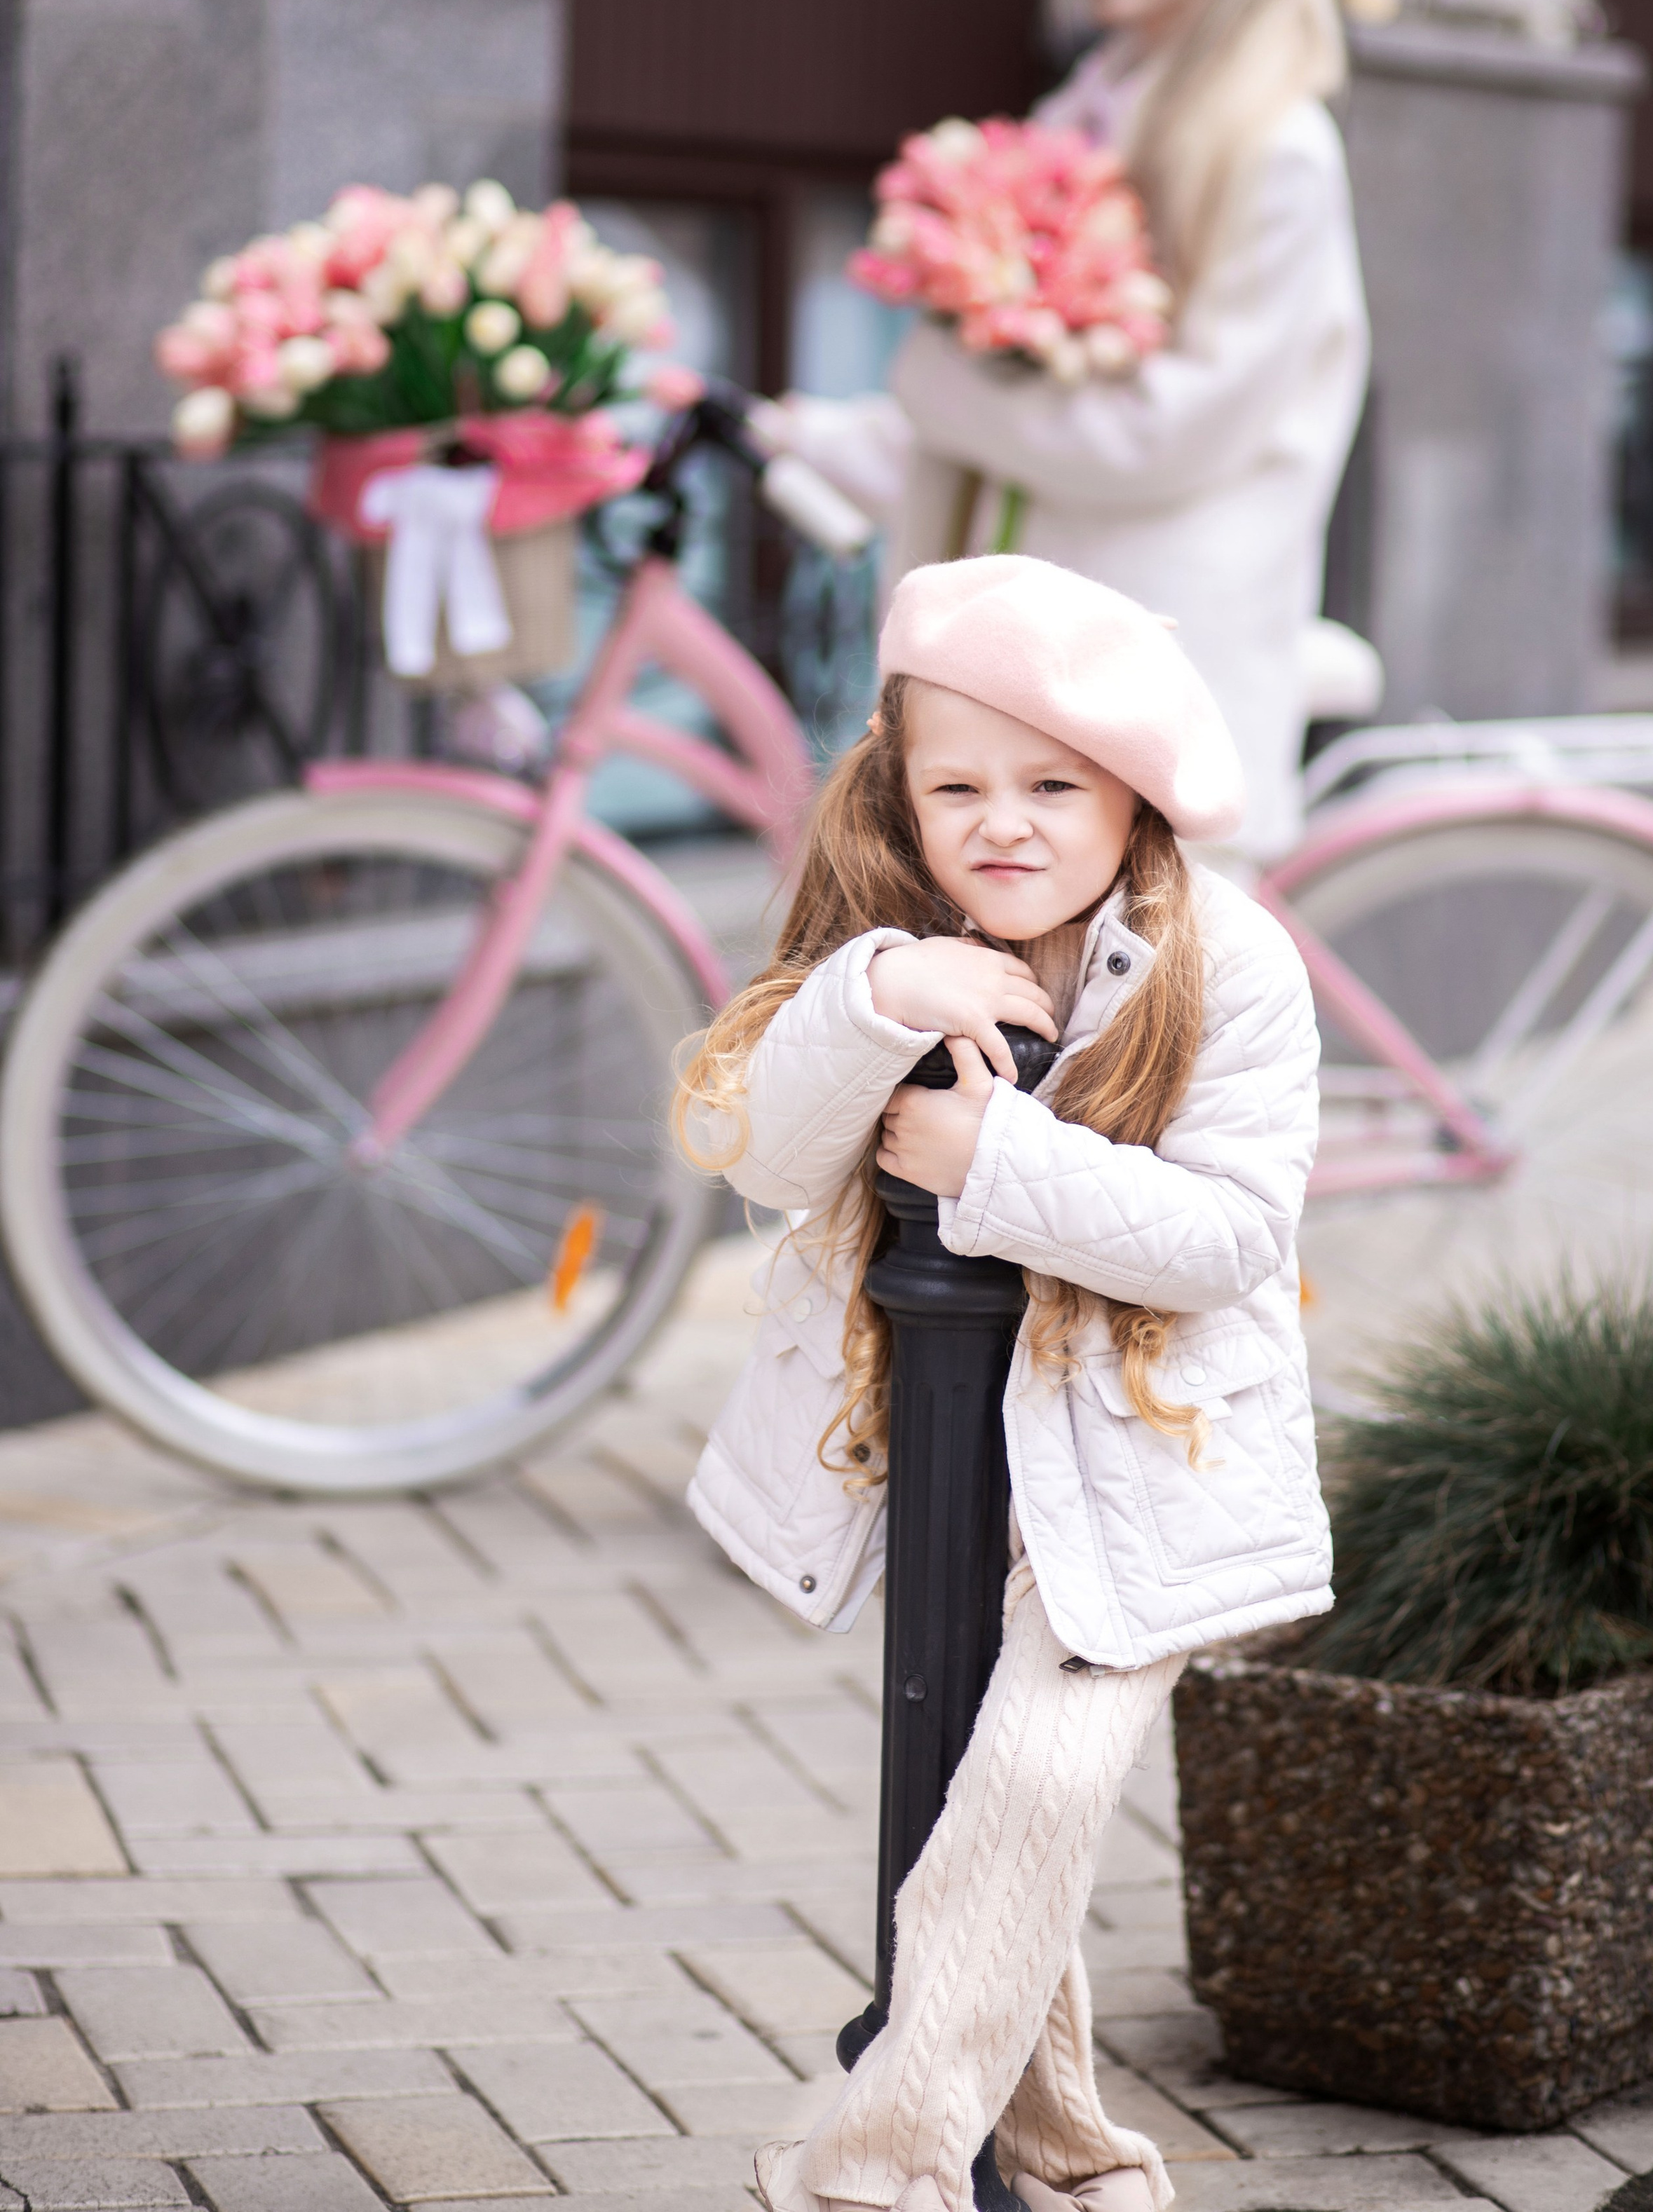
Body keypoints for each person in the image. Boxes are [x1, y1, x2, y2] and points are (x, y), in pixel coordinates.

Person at [676, 554, 1331, 2212]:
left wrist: (993, 1163)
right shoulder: (887, 931)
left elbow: (1230, 1237)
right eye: (954, 786)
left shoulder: (1226, 961)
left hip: (1149, 1468)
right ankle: (1064, 2149)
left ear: (1132, 796)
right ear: (897, 787)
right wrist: (876, 999)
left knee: (1030, 1782)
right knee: (986, 1801)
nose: (1003, 826)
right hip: (956, 1445)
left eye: (1053, 787)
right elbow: (757, 1155)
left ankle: (872, 2165)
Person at [769, 0, 1370, 863]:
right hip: (1042, 664)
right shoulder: (1078, 118)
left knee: (1158, 981)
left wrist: (931, 382)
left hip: (1157, 669)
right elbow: (1013, 417)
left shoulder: (1273, 147)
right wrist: (820, 432)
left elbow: (1166, 433)